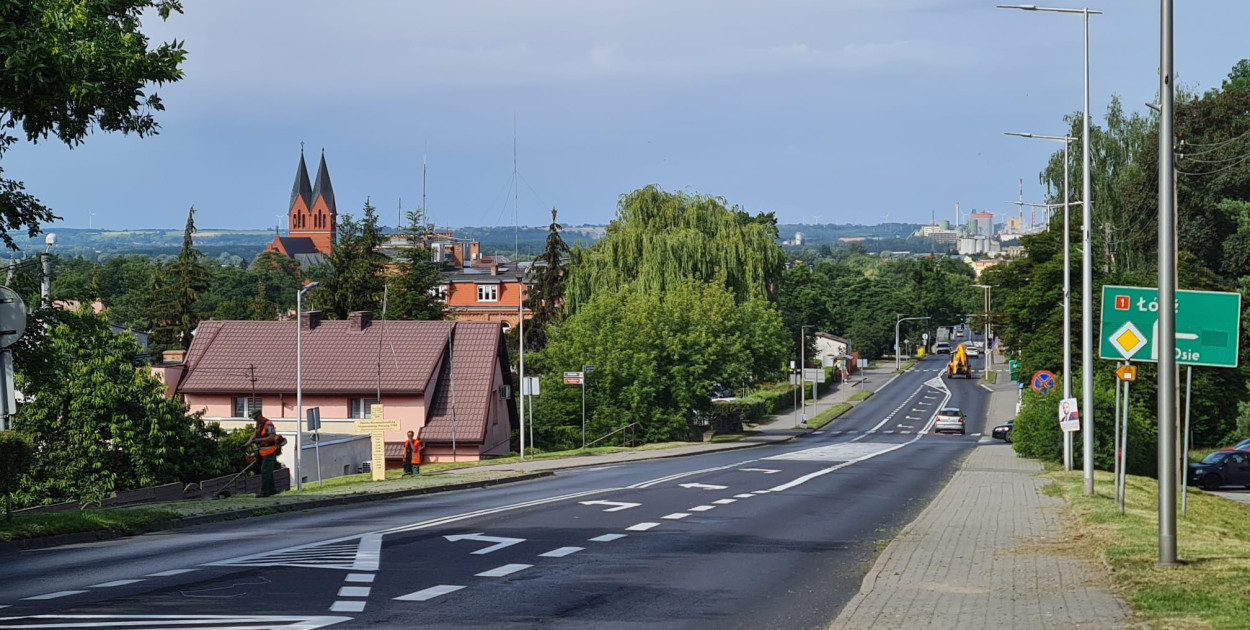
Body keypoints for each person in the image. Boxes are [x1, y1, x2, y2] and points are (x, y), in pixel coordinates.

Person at [245, 411, 281, 497]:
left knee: (265, 470)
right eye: (254, 419)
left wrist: (260, 440)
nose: (255, 420)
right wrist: (246, 445)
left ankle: (264, 491)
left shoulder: (268, 424)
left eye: (256, 418)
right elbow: (254, 436)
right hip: (262, 451)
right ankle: (272, 490)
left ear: (260, 415)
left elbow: (272, 437)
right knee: (268, 471)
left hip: (270, 451)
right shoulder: (259, 425)